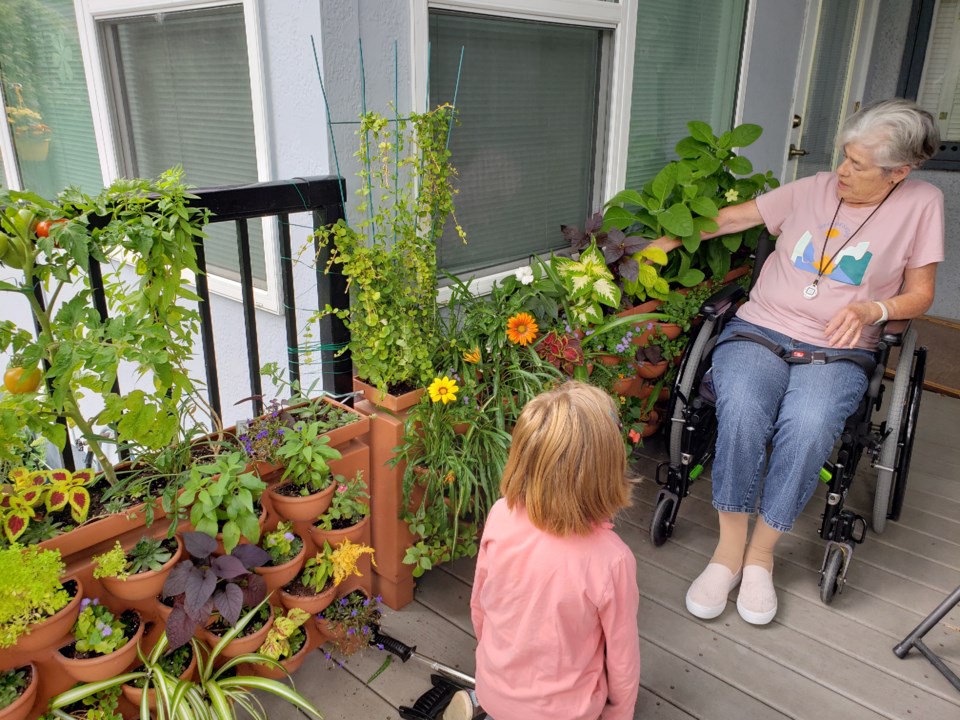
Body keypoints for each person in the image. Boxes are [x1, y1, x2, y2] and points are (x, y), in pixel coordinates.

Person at [656, 98, 944, 626]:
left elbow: (921, 293)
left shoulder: (922, 204)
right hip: (761, 329)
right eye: (844, 156)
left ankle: (762, 556)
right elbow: (730, 219)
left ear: (899, 173)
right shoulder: (813, 189)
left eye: (858, 165)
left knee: (809, 424)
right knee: (742, 407)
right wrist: (657, 243)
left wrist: (875, 308)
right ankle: (727, 553)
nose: (842, 171)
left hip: (840, 346)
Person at [444, 380, 640, 720]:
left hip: (494, 689)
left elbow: (480, 606)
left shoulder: (500, 514)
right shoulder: (612, 560)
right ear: (606, 470)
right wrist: (618, 713)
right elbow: (622, 658)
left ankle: (483, 706)